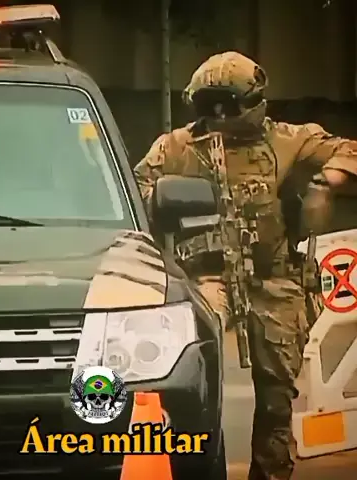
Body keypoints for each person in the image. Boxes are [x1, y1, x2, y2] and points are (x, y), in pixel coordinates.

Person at [133, 51, 357, 480]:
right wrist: (166, 200)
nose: (220, 116)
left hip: (272, 280)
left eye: (229, 105)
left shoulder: (289, 139)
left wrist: (327, 182)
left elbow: (348, 150)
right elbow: (138, 188)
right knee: (192, 382)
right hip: (205, 280)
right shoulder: (176, 146)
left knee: (276, 401)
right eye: (210, 106)